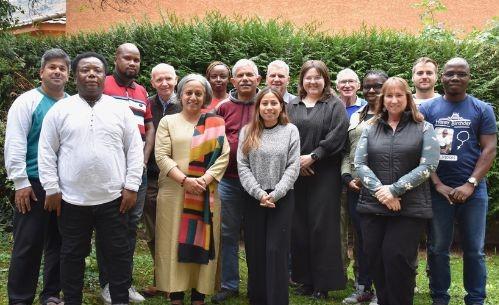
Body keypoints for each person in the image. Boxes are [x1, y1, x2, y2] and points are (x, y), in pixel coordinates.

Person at [38, 51, 144, 305]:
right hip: (72, 200)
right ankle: (72, 299)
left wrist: (131, 186)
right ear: (75, 76)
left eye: (97, 70)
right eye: (85, 70)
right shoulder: (61, 110)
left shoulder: (120, 110)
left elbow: (134, 149)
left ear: (104, 76)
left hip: (114, 199)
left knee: (118, 254)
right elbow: (46, 151)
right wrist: (52, 188)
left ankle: (120, 299)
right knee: (72, 255)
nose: (91, 75)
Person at [354, 76, 440, 305]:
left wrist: (395, 190)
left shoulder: (424, 127)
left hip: (409, 208)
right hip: (373, 206)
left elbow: (428, 165)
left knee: (398, 260)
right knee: (376, 259)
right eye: (389, 96)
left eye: (398, 95)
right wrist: (382, 192)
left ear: (407, 98)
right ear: (382, 100)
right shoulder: (370, 128)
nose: (393, 100)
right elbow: (359, 164)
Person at [420, 58, 497, 305]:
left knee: (474, 250)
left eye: (461, 74)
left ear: (469, 78)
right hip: (438, 190)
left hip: (473, 192)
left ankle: (475, 299)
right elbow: (420, 149)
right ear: (441, 77)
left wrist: (471, 183)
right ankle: (439, 298)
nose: (455, 78)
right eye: (450, 73)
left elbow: (490, 149)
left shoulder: (481, 109)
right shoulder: (429, 109)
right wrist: (437, 184)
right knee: (438, 248)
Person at [154, 74, 230, 305]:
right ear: (180, 95)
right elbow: (161, 155)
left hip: (206, 193)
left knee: (203, 239)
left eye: (198, 93)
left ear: (205, 96)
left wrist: (204, 180)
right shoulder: (168, 122)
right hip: (174, 193)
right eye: (189, 92)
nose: (193, 97)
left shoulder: (215, 124)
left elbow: (223, 156)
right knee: (171, 241)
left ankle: (199, 294)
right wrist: (185, 180)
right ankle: (175, 294)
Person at [5, 48, 70, 305]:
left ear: (68, 75)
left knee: (60, 242)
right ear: (41, 72)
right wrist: (20, 182)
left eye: (62, 68)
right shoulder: (27, 102)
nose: (57, 71)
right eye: (52, 67)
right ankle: (20, 299)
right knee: (28, 244)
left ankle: (51, 295)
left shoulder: (71, 104)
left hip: (64, 185)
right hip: (32, 185)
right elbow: (15, 143)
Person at [287, 60, 349, 299]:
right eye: (308, 78)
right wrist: (297, 162)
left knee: (322, 227)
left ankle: (323, 284)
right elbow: (284, 134)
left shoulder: (334, 105)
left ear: (326, 80)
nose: (313, 82)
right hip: (296, 174)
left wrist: (313, 156)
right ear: (301, 80)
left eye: (317, 77)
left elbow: (338, 135)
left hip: (325, 173)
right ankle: (305, 280)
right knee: (299, 226)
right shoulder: (292, 105)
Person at [98, 42, 153, 303]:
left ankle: (125, 282)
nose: (132, 63)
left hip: (136, 170)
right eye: (127, 58)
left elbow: (149, 126)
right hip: (110, 170)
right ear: (116, 58)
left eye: (137, 59)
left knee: (130, 226)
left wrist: (143, 159)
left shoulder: (142, 91)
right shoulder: (102, 85)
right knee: (109, 226)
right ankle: (108, 284)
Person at [237, 87, 300, 305]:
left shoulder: (291, 130)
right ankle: (258, 299)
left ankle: (277, 299)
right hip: (254, 198)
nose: (269, 107)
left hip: (281, 198)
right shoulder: (247, 131)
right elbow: (242, 166)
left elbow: (293, 166)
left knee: (276, 250)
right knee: (255, 250)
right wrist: (259, 193)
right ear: (258, 107)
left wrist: (277, 193)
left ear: (281, 106)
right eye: (265, 103)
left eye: (274, 103)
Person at [211, 59, 262, 304]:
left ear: (257, 80)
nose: (244, 79)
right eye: (239, 75)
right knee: (228, 233)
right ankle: (229, 284)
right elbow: (213, 142)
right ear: (233, 81)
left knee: (256, 234)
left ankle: (256, 285)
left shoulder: (267, 103)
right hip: (229, 182)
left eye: (249, 75)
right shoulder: (222, 107)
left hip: (259, 183)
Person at [341, 70, 388, 305]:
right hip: (356, 188)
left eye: (377, 86)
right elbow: (347, 150)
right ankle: (363, 287)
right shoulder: (356, 116)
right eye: (367, 87)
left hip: (381, 189)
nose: (371, 91)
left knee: (380, 239)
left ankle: (382, 289)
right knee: (361, 239)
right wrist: (346, 176)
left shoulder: (393, 115)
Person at [141, 63, 181, 298]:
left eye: (168, 78)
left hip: (177, 177)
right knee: (154, 232)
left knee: (175, 230)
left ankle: (175, 281)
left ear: (176, 79)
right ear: (152, 82)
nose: (164, 83)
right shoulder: (146, 104)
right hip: (152, 178)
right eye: (159, 80)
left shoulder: (184, 103)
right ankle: (160, 280)